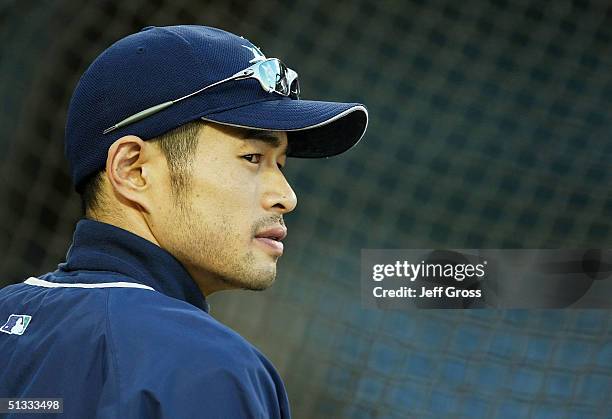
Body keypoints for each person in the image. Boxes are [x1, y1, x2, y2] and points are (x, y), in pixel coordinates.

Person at [0, 25, 368, 418]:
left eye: (280, 164)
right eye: (252, 158)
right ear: (134, 170)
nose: (287, 197)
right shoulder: (208, 367)